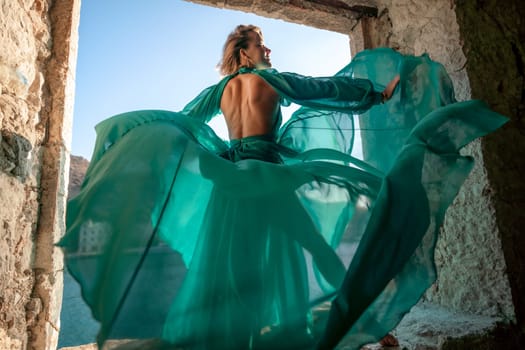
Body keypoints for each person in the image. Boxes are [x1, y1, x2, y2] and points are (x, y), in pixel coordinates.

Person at [58, 24, 507, 350]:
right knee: (315, 245)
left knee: (226, 263)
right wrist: (376, 94)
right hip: (267, 175)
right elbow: (326, 89)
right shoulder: (271, 80)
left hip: (232, 184)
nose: (268, 49)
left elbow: (182, 122)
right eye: (260, 43)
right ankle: (362, 323)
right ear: (245, 51)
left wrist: (126, 134)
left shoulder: (220, 91)